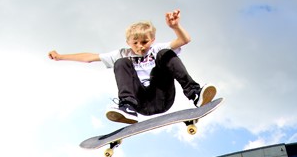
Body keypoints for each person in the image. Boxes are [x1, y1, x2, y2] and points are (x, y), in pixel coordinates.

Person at [48, 10, 216, 125]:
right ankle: (127, 107)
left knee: (165, 53)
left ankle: (194, 93)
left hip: (162, 97)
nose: (140, 47)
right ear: (128, 42)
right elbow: (90, 58)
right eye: (135, 43)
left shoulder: (157, 49)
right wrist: (61, 56)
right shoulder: (124, 53)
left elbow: (184, 40)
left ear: (152, 40)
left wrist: (175, 27)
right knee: (121, 62)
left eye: (145, 42)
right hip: (140, 103)